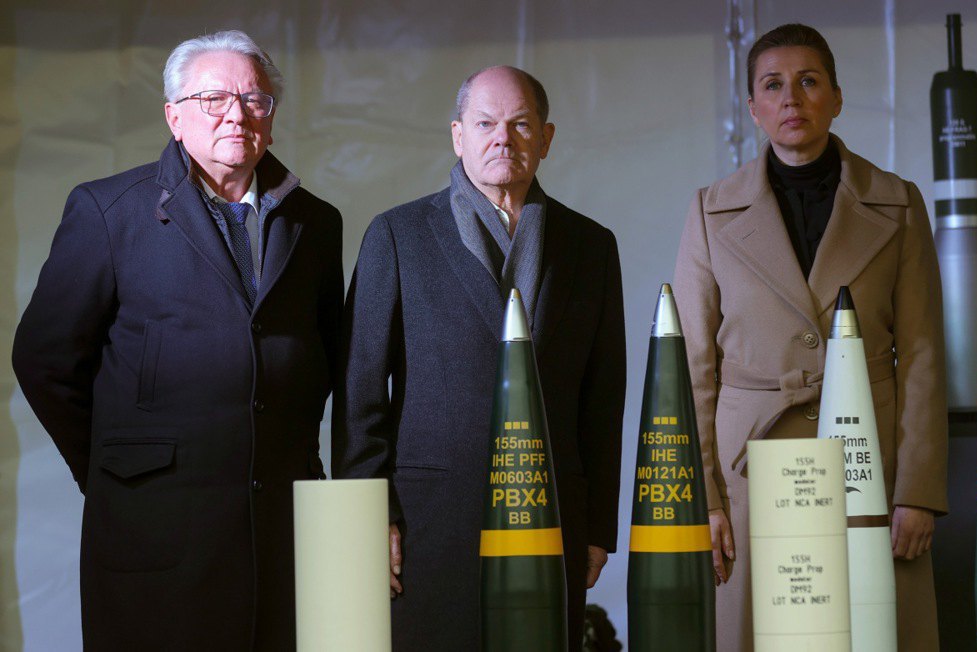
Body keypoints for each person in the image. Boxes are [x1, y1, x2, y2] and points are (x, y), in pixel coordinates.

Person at [11, 30, 343, 650]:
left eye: (255, 100)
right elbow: (44, 359)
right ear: (174, 115)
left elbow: (324, 360)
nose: (236, 114)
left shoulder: (316, 223)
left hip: (280, 526)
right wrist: (117, 464)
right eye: (213, 98)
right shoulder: (110, 211)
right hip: (153, 526)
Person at [673, 23, 946, 652]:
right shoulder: (710, 212)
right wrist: (706, 500)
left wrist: (918, 492)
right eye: (773, 84)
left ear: (837, 97)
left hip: (867, 464)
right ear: (753, 108)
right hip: (750, 470)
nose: (791, 97)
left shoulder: (898, 204)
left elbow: (925, 354)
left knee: (870, 629)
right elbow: (692, 368)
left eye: (808, 81)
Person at [336, 65, 626, 650]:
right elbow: (359, 391)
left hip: (551, 515)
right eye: (486, 123)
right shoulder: (398, 235)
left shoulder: (591, 246)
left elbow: (603, 398)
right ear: (458, 135)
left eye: (520, 124)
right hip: (431, 522)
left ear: (545, 139)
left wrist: (597, 526)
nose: (503, 138)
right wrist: (369, 515)